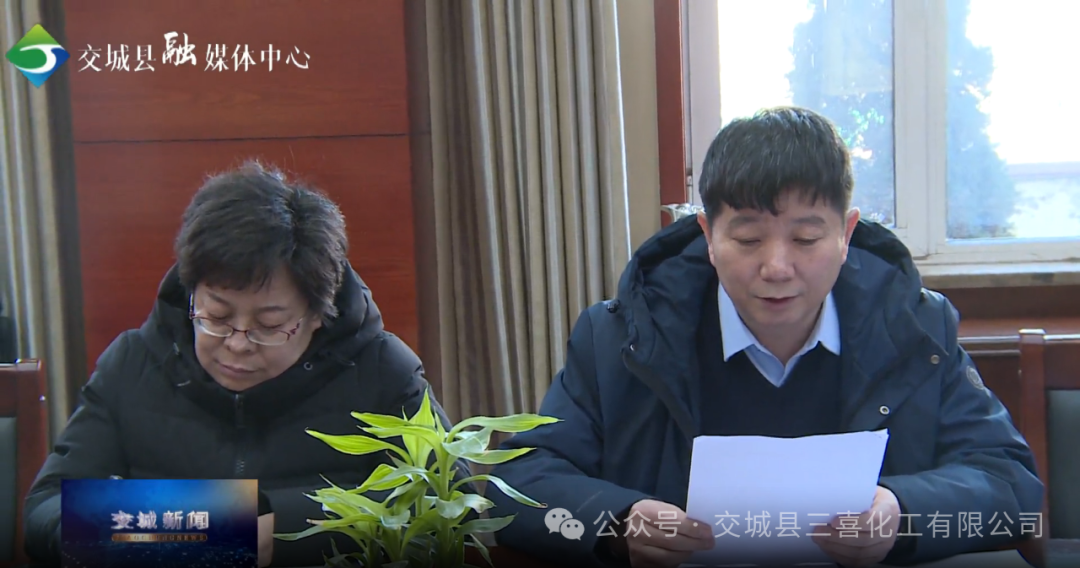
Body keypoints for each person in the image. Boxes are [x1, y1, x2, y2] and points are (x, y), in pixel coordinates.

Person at [487, 107, 1044, 568]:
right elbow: (518, 486)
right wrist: (616, 522)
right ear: (708, 235)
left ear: (847, 234)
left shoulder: (914, 330)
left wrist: (903, 514)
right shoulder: (622, 338)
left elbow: (1012, 487)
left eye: (806, 239)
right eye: (749, 239)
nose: (777, 268)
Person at [23, 162, 462, 567]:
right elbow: (44, 509)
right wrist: (205, 525)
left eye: (269, 325)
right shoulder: (133, 364)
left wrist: (278, 527)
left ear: (317, 314)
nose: (237, 344)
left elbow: (453, 509)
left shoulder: (382, 371)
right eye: (216, 317)